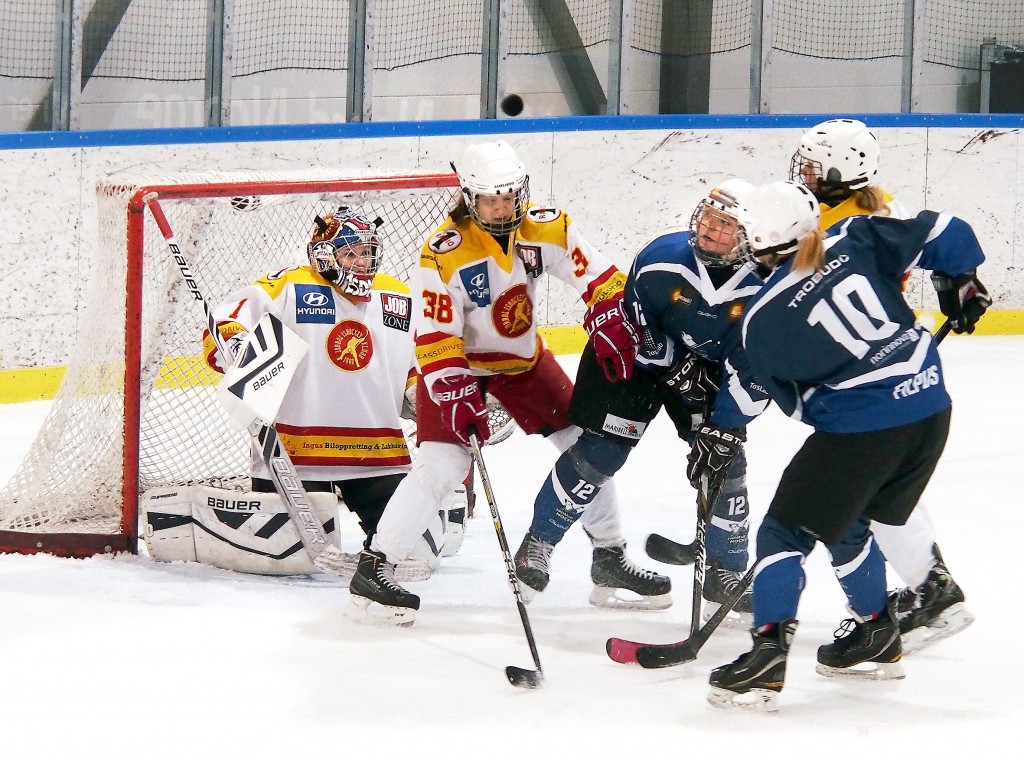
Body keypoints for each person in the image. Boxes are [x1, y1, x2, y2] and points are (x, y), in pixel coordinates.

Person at [347, 139, 669, 625]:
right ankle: (376, 566)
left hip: (523, 361)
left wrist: (607, 314)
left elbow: (600, 276)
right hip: (460, 367)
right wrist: (455, 393)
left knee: (587, 448)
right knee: (441, 464)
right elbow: (434, 335)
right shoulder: (443, 254)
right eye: (489, 200)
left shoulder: (547, 227)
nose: (501, 209)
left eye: (508, 197)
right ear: (469, 198)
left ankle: (609, 558)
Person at [707, 180, 991, 712]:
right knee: (850, 518)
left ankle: (766, 655)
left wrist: (720, 428)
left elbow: (788, 404)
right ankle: (877, 636)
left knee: (783, 531)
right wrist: (962, 281)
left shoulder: (761, 319)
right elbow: (945, 231)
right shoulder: (855, 235)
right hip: (931, 406)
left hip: (866, 430)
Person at [517, 179, 770, 623]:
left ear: (748, 236)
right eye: (707, 219)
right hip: (631, 359)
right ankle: (539, 543)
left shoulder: (763, 290)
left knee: (725, 460)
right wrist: (674, 364)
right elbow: (634, 325)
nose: (710, 230)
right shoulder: (662, 259)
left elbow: (755, 370)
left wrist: (725, 425)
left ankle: (725, 574)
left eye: (724, 225)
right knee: (601, 452)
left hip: (704, 372)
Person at [791, 118, 974, 653]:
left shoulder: (851, 225)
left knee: (872, 485)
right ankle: (932, 585)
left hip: (864, 370)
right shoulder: (864, 208)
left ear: (838, 171)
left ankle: (930, 590)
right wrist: (957, 280)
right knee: (887, 483)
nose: (801, 174)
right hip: (890, 356)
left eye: (809, 166)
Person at [204, 208, 427, 570]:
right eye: (350, 253)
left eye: (368, 252)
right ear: (324, 253)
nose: (362, 262)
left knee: (412, 555)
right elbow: (227, 318)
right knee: (288, 565)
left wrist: (422, 393)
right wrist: (235, 343)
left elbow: (418, 359)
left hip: (379, 455)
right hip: (293, 458)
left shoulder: (396, 295)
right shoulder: (290, 286)